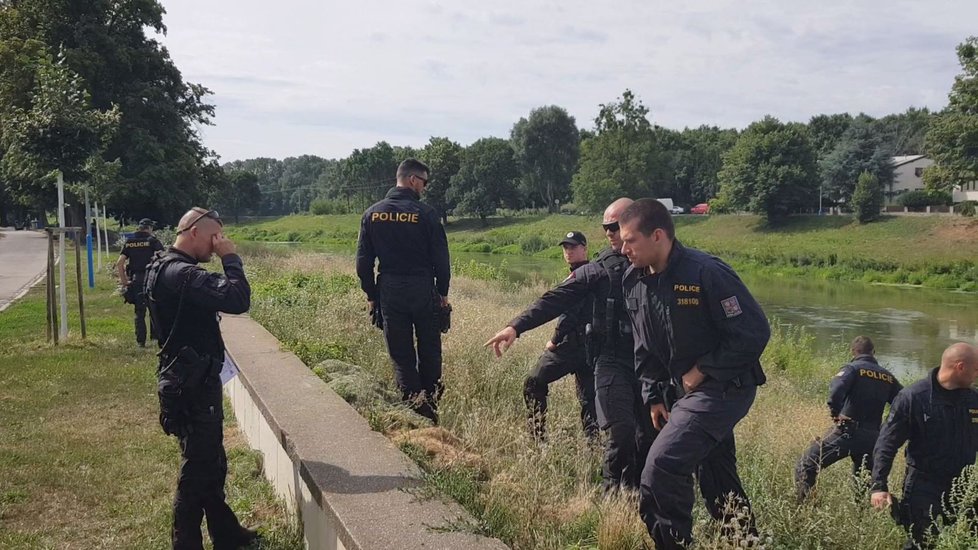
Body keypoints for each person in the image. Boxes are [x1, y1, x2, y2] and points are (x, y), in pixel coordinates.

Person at [618, 198, 769, 549]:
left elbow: (753, 333)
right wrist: (653, 394)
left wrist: (703, 369)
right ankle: (745, 543)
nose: (623, 248)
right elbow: (645, 344)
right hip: (683, 391)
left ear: (658, 235)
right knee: (717, 477)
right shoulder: (633, 281)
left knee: (661, 469)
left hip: (724, 386)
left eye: (630, 240)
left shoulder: (705, 273)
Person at [485, 198, 654, 492]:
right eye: (606, 228)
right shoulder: (599, 270)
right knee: (621, 432)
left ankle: (637, 493)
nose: (611, 234)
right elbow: (556, 299)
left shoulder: (659, 263)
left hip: (648, 363)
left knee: (645, 436)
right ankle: (612, 494)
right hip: (607, 357)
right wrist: (516, 326)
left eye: (615, 227)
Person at [144, 207, 258, 549]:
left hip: (186, 378)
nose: (217, 244)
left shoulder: (160, 265)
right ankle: (185, 543)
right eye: (214, 237)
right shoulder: (182, 273)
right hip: (191, 385)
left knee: (212, 461)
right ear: (194, 232)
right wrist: (231, 258)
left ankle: (226, 533)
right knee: (198, 469)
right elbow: (238, 299)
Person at [356, 159, 451, 423]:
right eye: (423, 182)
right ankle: (430, 405)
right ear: (412, 180)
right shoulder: (427, 214)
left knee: (401, 354)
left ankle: (413, 409)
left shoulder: (372, 214)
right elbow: (441, 259)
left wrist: (372, 296)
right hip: (423, 288)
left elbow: (363, 263)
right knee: (430, 349)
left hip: (390, 289)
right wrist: (442, 292)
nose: (424, 187)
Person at [871, 342, 978, 549]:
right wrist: (878, 486)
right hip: (924, 485)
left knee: (969, 540)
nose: (977, 375)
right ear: (960, 367)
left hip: (964, 483)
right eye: (976, 369)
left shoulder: (973, 400)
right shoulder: (913, 398)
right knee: (922, 542)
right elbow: (887, 443)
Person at [795, 336, 902, 501]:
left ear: (853, 351)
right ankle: (862, 515)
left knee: (807, 464)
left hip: (847, 431)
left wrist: (835, 413)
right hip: (873, 436)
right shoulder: (887, 377)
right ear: (874, 352)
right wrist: (887, 426)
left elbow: (836, 390)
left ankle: (804, 509)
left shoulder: (852, 369)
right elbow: (902, 403)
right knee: (864, 479)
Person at [523, 231, 597, 441]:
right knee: (588, 399)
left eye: (573, 247)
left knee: (533, 382)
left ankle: (537, 439)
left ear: (585, 248)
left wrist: (554, 341)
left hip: (572, 346)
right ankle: (593, 446)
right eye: (565, 248)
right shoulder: (593, 272)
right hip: (591, 346)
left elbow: (569, 314)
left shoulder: (581, 276)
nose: (569, 251)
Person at [116, 217, 164, 347]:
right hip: (152, 279)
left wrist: (125, 281)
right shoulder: (153, 241)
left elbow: (120, 263)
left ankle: (140, 342)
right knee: (154, 309)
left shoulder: (130, 242)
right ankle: (156, 338)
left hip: (136, 280)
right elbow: (163, 258)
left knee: (139, 311)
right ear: (149, 228)